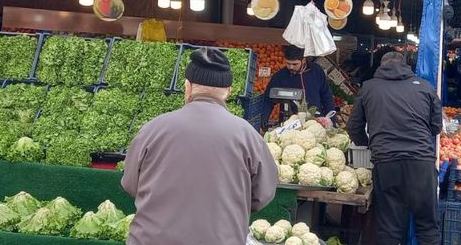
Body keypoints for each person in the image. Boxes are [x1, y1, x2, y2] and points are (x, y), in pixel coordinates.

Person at [121, 47, 278, 245]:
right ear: (228, 91)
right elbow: (263, 194)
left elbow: (130, 184)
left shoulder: (152, 129)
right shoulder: (247, 135)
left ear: (187, 86)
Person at [347, 52, 442, 245]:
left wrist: (367, 143)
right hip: (420, 164)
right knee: (427, 226)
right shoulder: (424, 87)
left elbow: (353, 127)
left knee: (389, 227)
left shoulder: (368, 88)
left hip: (386, 163)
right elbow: (436, 127)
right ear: (406, 65)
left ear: (381, 66)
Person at [263, 45, 335, 120]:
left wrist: (332, 119)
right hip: (289, 121)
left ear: (303, 60)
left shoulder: (316, 71)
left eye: (295, 64)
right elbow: (268, 100)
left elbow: (326, 96)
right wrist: (263, 121)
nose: (291, 67)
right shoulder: (280, 76)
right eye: (288, 63)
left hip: (315, 119)